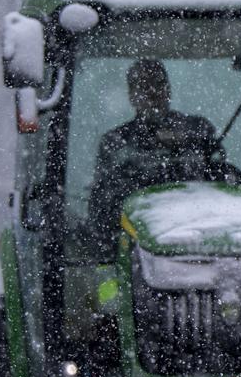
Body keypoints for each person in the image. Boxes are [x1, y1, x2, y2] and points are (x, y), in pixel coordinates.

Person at [87, 59, 226, 244]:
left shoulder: (198, 129)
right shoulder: (115, 143)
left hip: (201, 241)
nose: (153, 92)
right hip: (133, 247)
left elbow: (221, 184)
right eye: (144, 86)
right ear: (131, 95)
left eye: (159, 84)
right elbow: (103, 209)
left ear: (169, 90)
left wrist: (187, 144)